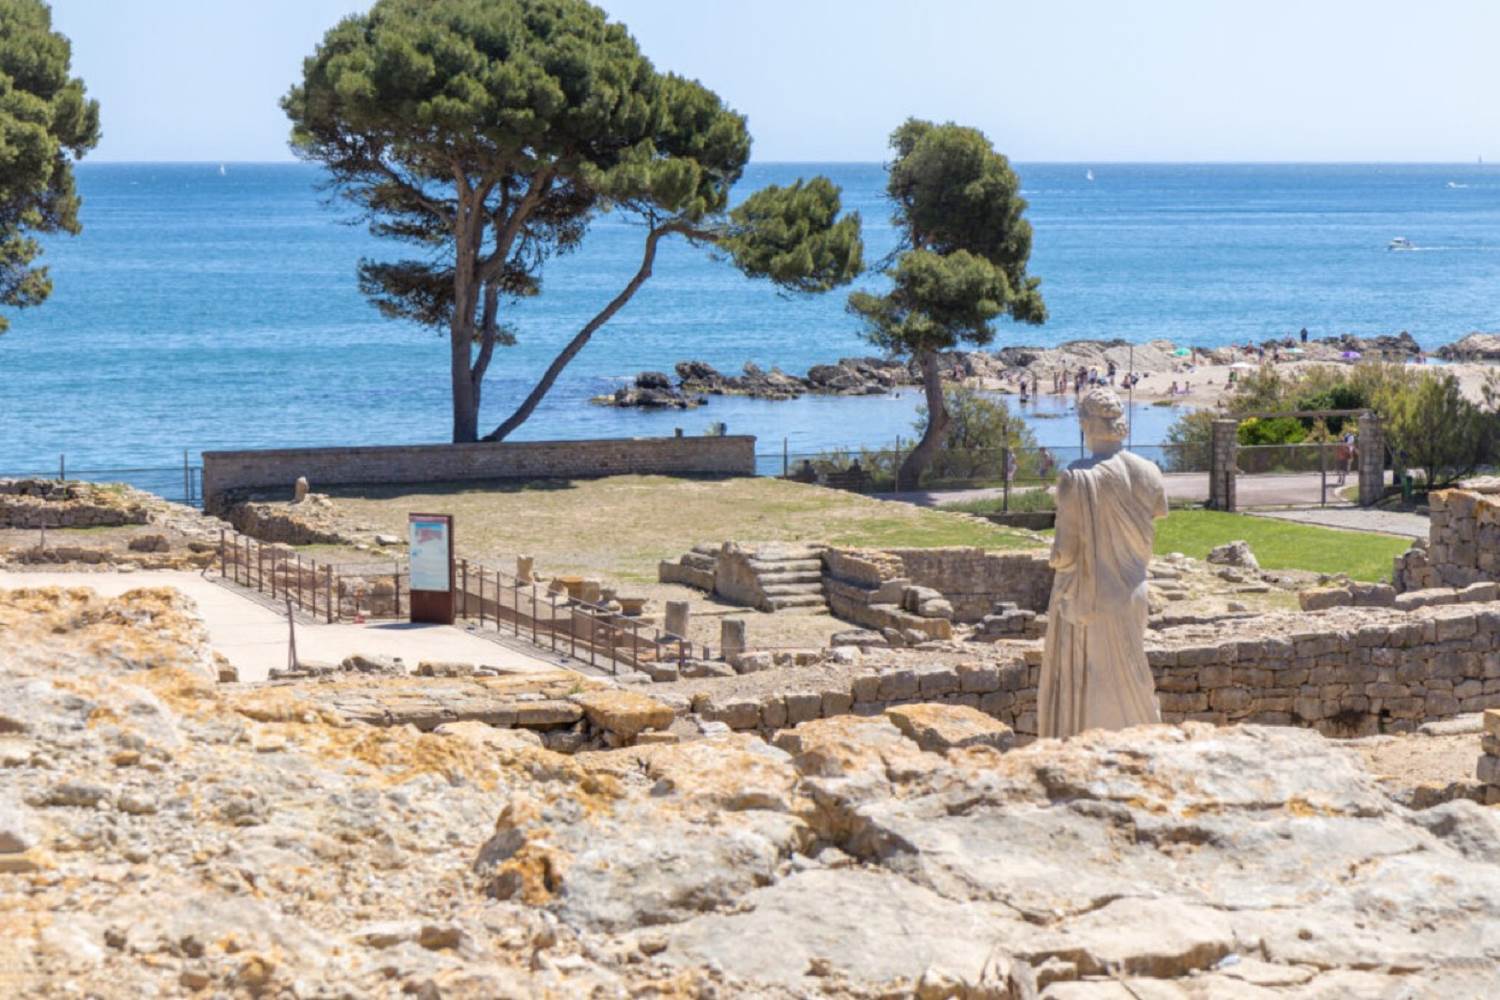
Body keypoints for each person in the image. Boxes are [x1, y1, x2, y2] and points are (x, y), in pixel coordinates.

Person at [1038, 388, 1167, 738]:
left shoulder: (1076, 478)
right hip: (1135, 590)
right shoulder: (1149, 471)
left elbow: (1064, 554)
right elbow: (1156, 513)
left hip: (1090, 596)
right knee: (1133, 678)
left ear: (1086, 425)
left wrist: (1054, 558)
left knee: (1094, 688)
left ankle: (1092, 763)